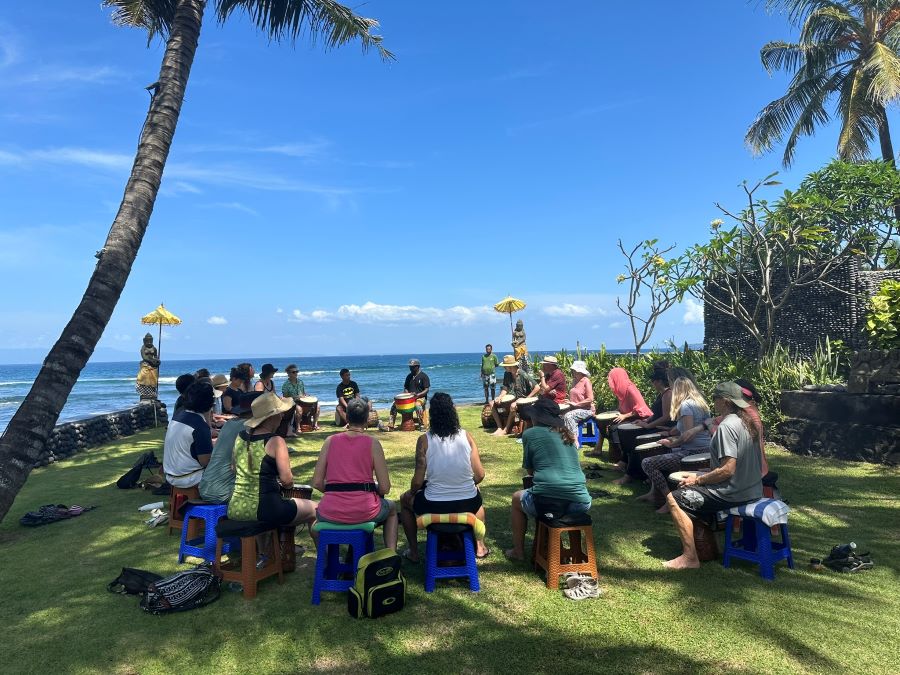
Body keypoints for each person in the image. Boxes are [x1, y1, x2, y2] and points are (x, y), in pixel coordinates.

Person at [664, 381, 763, 570]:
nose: (713, 402)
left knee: (673, 498)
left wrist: (698, 479)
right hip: (753, 489)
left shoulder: (727, 427)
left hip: (733, 493)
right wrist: (707, 474)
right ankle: (708, 543)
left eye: (715, 398)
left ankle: (690, 558)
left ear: (724, 401)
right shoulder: (747, 421)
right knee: (692, 490)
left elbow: (728, 470)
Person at [398, 393, 489, 562]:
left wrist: (412, 492)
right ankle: (480, 546)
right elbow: (480, 474)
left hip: (434, 505)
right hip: (467, 502)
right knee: (477, 498)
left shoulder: (424, 440)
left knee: (404, 501)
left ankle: (414, 552)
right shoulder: (466, 436)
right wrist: (468, 484)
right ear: (452, 412)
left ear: (432, 415)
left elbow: (418, 481)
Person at [505, 398, 591, 561]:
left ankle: (518, 551)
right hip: (581, 502)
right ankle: (562, 548)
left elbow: (530, 470)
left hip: (549, 500)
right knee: (546, 496)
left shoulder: (530, 434)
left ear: (537, 417)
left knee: (517, 499)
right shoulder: (567, 433)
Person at [312, 397, 398, 550]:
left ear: (347, 417)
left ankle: (327, 563)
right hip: (364, 510)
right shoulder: (373, 443)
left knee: (314, 526)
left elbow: (317, 483)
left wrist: (337, 492)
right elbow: (385, 488)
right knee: (391, 509)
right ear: (367, 419)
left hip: (330, 510)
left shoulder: (329, 441)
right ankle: (390, 556)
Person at [227, 392, 318, 532]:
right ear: (271, 417)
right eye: (280, 413)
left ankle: (266, 552)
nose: (282, 416)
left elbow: (234, 468)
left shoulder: (240, 437)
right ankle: (324, 554)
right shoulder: (276, 441)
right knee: (316, 510)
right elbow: (287, 481)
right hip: (266, 508)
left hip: (236, 507)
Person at [635, 377, 712, 507]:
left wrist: (671, 443)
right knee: (661, 452)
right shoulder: (701, 404)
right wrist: (671, 435)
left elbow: (688, 436)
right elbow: (689, 429)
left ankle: (669, 501)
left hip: (692, 451)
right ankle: (655, 494)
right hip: (706, 449)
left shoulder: (686, 406)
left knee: (648, 462)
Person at [163, 381, 215, 488]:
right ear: (209, 402)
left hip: (171, 474)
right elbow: (205, 462)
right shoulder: (199, 426)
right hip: (189, 478)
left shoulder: (180, 414)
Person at [607, 367, 653, 471]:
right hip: (631, 416)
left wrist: (624, 416)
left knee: (615, 428)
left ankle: (623, 459)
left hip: (642, 417)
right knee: (612, 425)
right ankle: (622, 457)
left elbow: (640, 408)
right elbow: (624, 407)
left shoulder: (630, 388)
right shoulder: (621, 389)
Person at [490, 355, 538, 436]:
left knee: (512, 406)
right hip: (512, 397)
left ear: (511, 366)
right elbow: (505, 388)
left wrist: (526, 399)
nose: (504, 368)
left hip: (521, 399)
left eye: (505, 366)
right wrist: (500, 396)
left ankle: (505, 429)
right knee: (491, 403)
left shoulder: (522, 373)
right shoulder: (507, 374)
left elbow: (537, 387)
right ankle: (499, 428)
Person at [562, 360, 595, 447]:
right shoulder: (574, 380)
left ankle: (574, 440)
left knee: (568, 416)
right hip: (575, 409)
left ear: (579, 371)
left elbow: (590, 398)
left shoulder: (586, 381)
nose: (573, 372)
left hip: (586, 409)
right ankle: (565, 438)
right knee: (559, 414)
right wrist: (569, 402)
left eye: (574, 370)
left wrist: (577, 404)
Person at [390, 359, 430, 430]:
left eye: (412, 367)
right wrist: (407, 394)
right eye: (410, 367)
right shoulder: (409, 376)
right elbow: (406, 388)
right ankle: (391, 425)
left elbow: (426, 389)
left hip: (421, 398)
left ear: (418, 366)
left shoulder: (424, 376)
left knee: (417, 405)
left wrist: (417, 395)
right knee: (394, 405)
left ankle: (422, 425)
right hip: (409, 398)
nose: (410, 368)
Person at [283, 363, 319, 432]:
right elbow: (285, 398)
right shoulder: (285, 385)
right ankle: (298, 427)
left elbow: (303, 393)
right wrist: (296, 397)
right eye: (293, 372)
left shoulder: (300, 382)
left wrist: (306, 396)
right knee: (299, 409)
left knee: (318, 406)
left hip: (302, 401)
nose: (296, 373)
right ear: (288, 373)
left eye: (297, 371)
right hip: (293, 402)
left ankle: (315, 424)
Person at [135, 333, 160, 400]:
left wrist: (157, 360)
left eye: (150, 341)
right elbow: (144, 357)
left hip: (152, 366)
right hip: (145, 365)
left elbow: (155, 356)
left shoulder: (154, 348)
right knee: (142, 378)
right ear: (144, 341)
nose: (149, 342)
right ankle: (144, 393)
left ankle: (152, 393)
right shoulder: (143, 348)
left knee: (153, 379)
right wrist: (151, 361)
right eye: (147, 341)